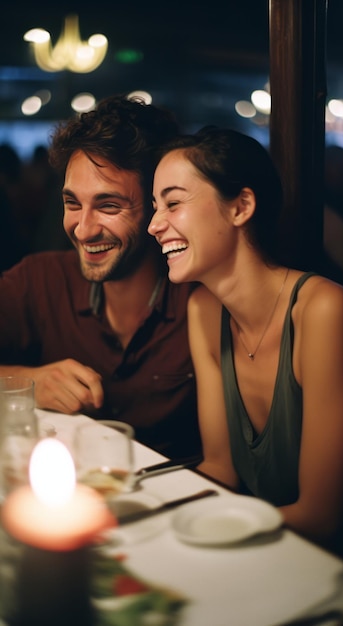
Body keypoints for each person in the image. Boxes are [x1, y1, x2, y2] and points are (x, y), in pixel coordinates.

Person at [149, 126, 343, 556]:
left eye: (172, 203)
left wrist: (191, 534)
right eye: (154, 207)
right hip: (260, 552)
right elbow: (220, 468)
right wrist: (145, 518)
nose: (153, 225)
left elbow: (321, 517)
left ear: (241, 206)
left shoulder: (323, 310)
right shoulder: (203, 310)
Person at [0, 94, 201, 460]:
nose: (84, 229)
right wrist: (26, 384)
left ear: (157, 208)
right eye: (73, 203)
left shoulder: (201, 302)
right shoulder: (39, 279)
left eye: (108, 206)